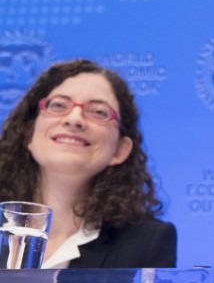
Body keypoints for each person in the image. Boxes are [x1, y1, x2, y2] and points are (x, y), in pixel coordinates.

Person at [0, 59, 177, 268]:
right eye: (58, 105)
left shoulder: (147, 243)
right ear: (28, 133)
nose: (74, 119)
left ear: (120, 149)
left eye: (98, 112)